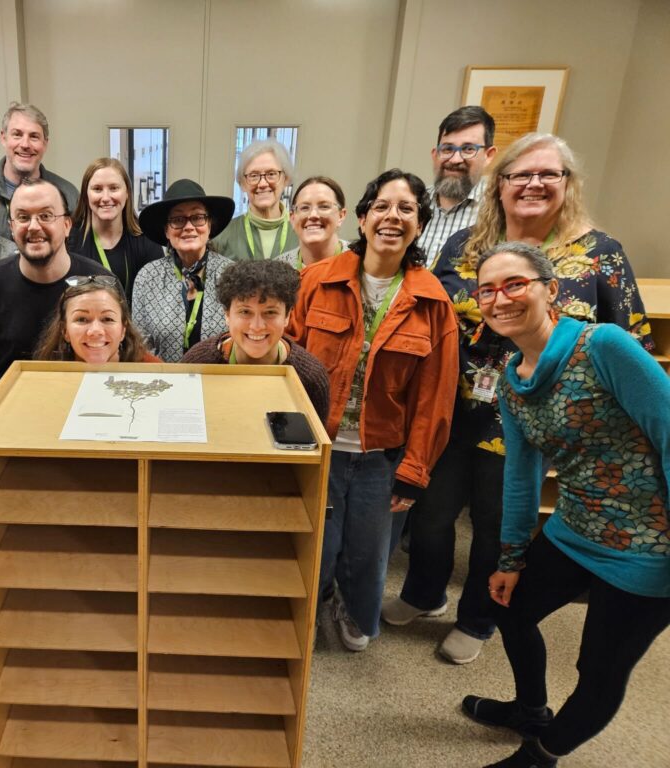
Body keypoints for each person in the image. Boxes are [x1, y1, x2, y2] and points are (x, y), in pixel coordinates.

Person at [384, 133, 653, 665]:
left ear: (567, 185)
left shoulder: (598, 254)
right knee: (433, 513)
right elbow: (432, 316)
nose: (533, 184)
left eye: (548, 174)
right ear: (499, 185)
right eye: (519, 175)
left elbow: (635, 342)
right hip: (453, 406)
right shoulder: (464, 245)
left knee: (495, 520)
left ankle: (478, 617)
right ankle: (424, 593)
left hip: (531, 417)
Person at [461, 241, 670, 768]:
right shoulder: (512, 381)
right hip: (574, 529)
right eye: (488, 289)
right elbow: (521, 476)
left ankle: (542, 753)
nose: (499, 298)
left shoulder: (606, 346)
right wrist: (510, 559)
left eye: (515, 284)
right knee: (507, 609)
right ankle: (532, 711)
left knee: (598, 671)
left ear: (550, 290)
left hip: (648, 548)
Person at [287, 169, 458, 652]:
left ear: (420, 225)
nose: (392, 217)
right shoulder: (315, 281)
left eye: (406, 209)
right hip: (318, 445)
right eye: (382, 206)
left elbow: (436, 396)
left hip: (380, 456)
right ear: (362, 219)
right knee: (315, 547)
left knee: (366, 556)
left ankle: (351, 609)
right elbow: (285, 362)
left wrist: (414, 470)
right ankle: (308, 606)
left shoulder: (432, 302)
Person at [0, 178, 111, 375]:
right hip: (13, 401)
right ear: (11, 227)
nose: (34, 226)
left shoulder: (101, 284)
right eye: (23, 217)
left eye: (46, 216)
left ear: (67, 225)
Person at [182, 259, 328, 423]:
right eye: (245, 312)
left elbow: (317, 445)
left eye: (270, 312)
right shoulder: (196, 365)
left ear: (287, 316)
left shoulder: (311, 377)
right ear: (227, 315)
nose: (257, 326)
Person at [133, 179, 235, 362]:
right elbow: (140, 345)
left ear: (209, 225)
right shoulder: (147, 277)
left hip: (218, 380)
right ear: (166, 230)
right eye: (178, 220)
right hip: (163, 380)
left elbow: (240, 338)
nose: (188, 227)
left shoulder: (232, 275)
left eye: (197, 217)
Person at [67, 158, 163, 301]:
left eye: (114, 188)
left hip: (132, 323)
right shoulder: (69, 240)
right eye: (97, 189)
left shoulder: (147, 241)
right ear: (86, 196)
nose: (106, 198)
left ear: (127, 193)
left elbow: (156, 301)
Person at [417, 106, 497, 269]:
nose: (455, 159)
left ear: (488, 156)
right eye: (447, 149)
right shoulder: (413, 203)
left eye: (468, 149)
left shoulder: (498, 211)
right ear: (435, 154)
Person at [0, 102, 78, 241]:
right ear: (3, 138)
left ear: (45, 143)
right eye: (17, 134)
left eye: (34, 136)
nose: (25, 144)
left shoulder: (68, 194)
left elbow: (75, 253)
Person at [34, 274, 161, 363]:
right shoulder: (47, 375)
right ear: (65, 330)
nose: (95, 331)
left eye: (107, 319)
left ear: (123, 329)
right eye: (82, 319)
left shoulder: (152, 370)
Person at [211, 138, 298, 262]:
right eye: (253, 175)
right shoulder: (222, 236)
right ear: (242, 184)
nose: (262, 183)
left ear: (286, 179)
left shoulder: (302, 233)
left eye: (271, 174)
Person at [278, 175, 349, 270]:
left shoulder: (361, 263)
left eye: (324, 206)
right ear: (293, 218)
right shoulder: (278, 270)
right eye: (304, 208)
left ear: (341, 216)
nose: (313, 215)